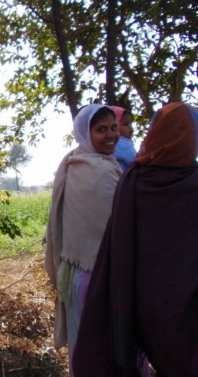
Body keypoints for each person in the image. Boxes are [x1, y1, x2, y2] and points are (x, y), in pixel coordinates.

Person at [73, 102, 198, 376]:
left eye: (112, 128)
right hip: (185, 311)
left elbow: (117, 245)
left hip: (136, 303)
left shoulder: (133, 177)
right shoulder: (190, 184)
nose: (111, 135)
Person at [44, 104, 122, 375]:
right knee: (109, 354)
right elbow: (117, 232)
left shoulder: (74, 162)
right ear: (85, 134)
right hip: (102, 279)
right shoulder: (99, 172)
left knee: (85, 352)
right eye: (101, 129)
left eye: (113, 127)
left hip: (75, 277)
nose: (111, 134)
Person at [111, 105, 137, 170]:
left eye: (131, 124)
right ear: (115, 126)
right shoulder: (123, 144)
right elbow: (136, 162)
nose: (130, 127)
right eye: (125, 124)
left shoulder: (107, 143)